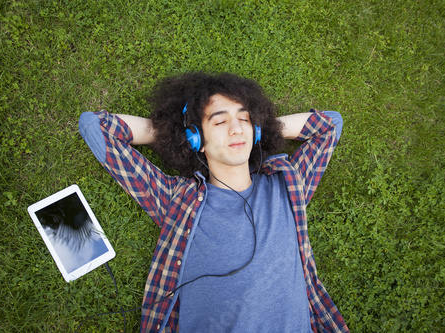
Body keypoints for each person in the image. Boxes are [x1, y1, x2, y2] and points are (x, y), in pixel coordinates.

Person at [79, 72, 349, 332]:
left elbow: (329, 125)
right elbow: (96, 127)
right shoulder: (176, 200)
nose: (236, 129)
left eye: (244, 119)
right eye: (220, 122)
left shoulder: (287, 184)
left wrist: (264, 129)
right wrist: (175, 134)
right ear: (197, 139)